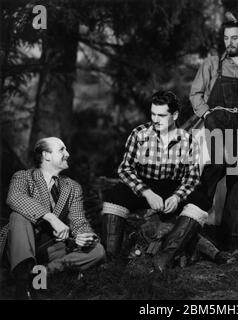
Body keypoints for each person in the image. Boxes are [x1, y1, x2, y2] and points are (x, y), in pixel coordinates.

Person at [101, 90, 220, 271]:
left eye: (162, 115)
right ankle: (111, 259)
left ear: (175, 115)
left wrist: (177, 197)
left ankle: (164, 258)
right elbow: (125, 169)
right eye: (153, 114)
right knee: (115, 195)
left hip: (173, 188)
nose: (156, 119)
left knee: (201, 200)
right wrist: (146, 193)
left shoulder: (188, 140)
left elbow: (192, 176)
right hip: (145, 185)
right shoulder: (139, 134)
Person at [188, 15, 238, 249]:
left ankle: (230, 240)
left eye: (234, 38)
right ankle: (189, 224)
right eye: (226, 38)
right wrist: (207, 116)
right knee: (216, 167)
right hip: (216, 121)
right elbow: (196, 93)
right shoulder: (212, 64)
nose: (229, 42)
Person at [6, 137, 105, 299]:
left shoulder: (72, 187)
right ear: (46, 155)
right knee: (17, 216)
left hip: (54, 249)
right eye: (62, 150)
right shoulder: (23, 177)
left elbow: (79, 222)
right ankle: (23, 284)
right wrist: (51, 218)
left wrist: (85, 236)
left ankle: (41, 273)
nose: (68, 153)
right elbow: (14, 198)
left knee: (98, 251)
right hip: (24, 244)